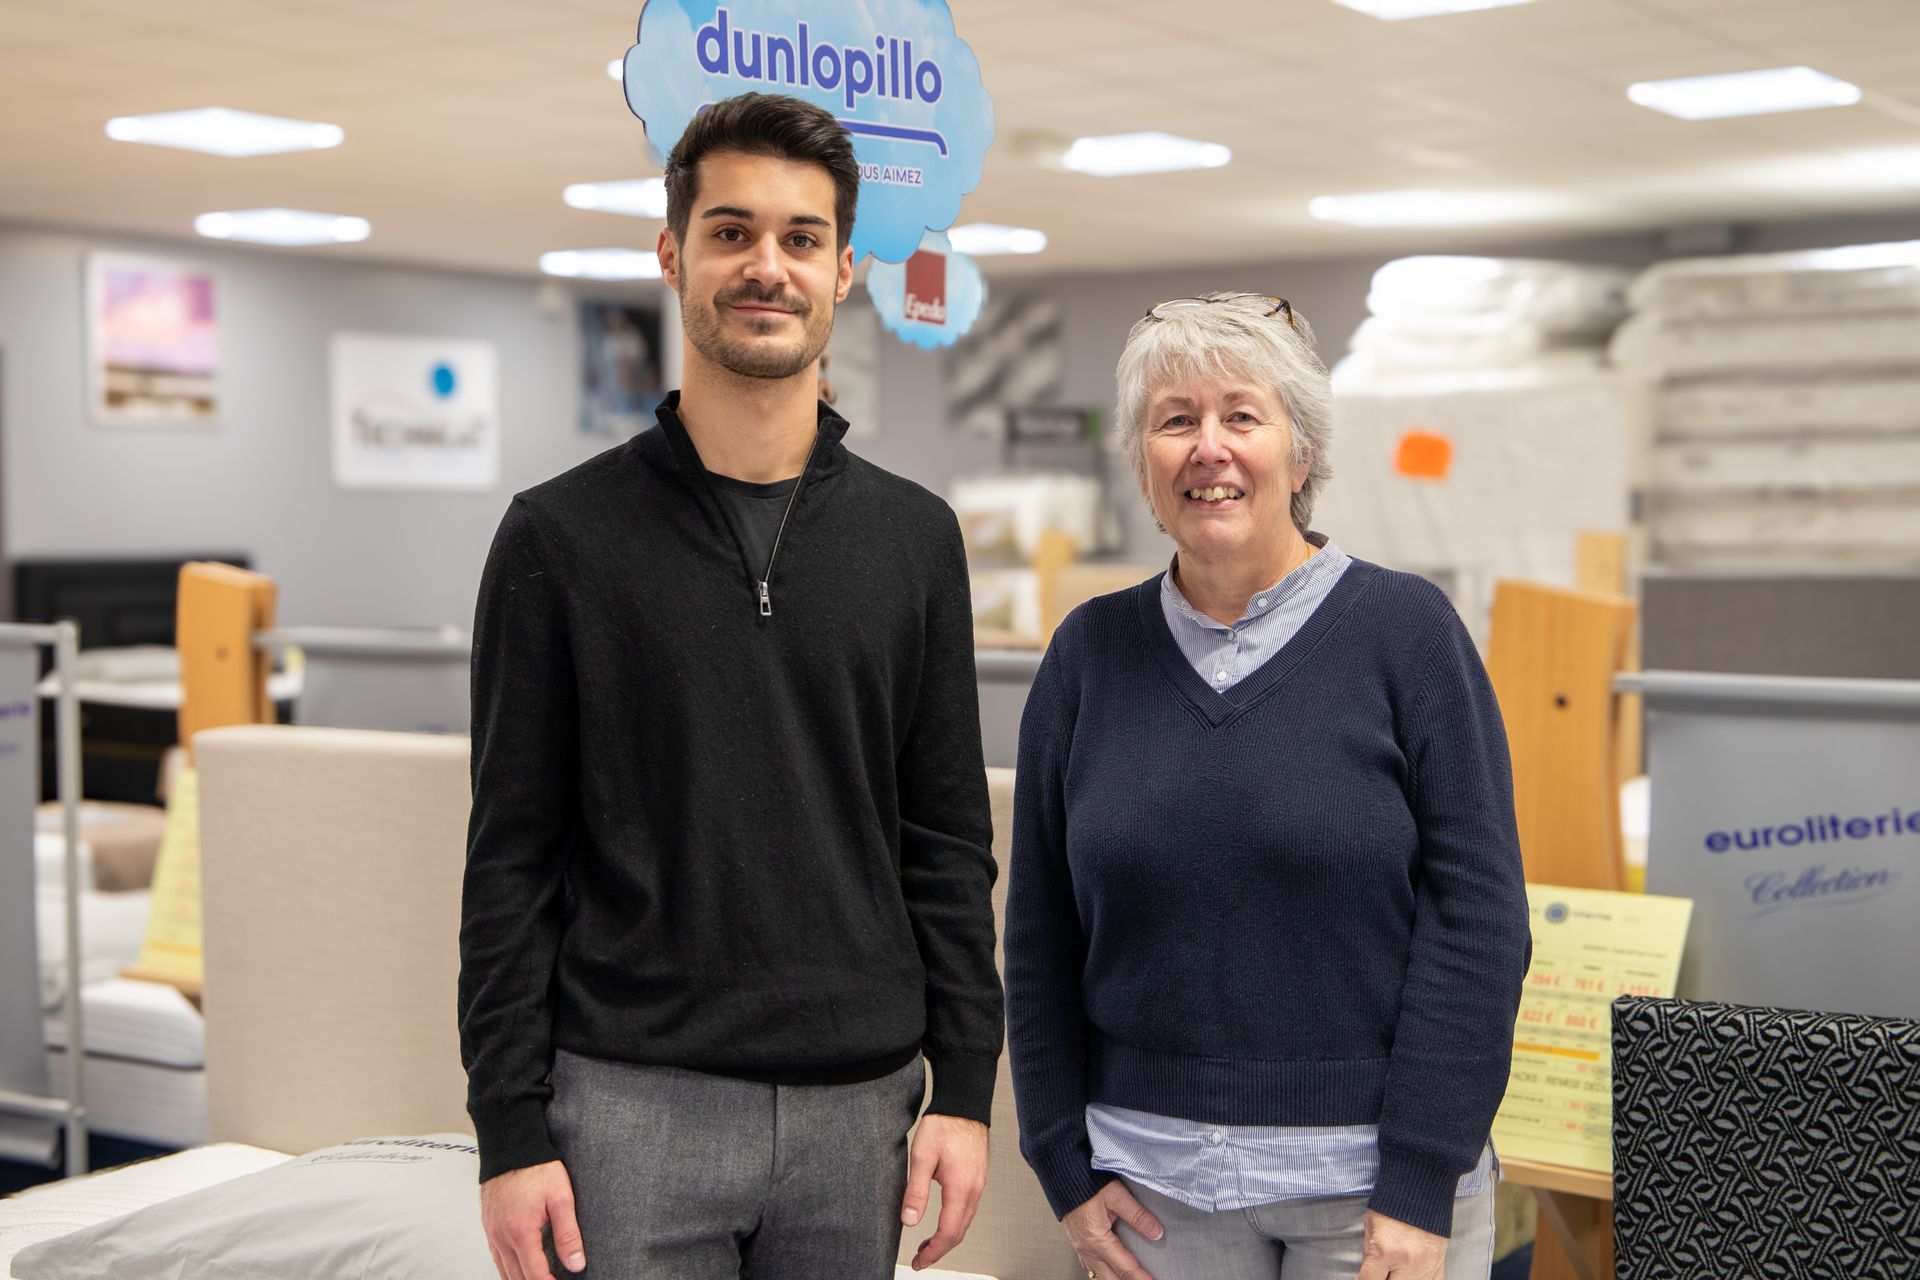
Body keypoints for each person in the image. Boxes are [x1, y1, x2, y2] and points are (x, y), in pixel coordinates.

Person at [459, 93, 1001, 1280]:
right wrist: (507, 1127)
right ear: (672, 253)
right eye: (731, 231)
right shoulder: (559, 537)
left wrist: (966, 1086)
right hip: (627, 1102)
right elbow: (510, 858)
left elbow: (948, 840)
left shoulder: (916, 540)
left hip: (860, 1108)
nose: (768, 265)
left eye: (802, 237)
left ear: (845, 269)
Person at [1004, 292, 1531, 1280]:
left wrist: (1421, 1178)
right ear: (1143, 464)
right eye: (1175, 420)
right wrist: (1061, 1164)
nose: (1209, 447)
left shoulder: (1410, 636)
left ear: (1301, 454)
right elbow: (1038, 935)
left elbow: (1479, 923)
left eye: (1242, 415)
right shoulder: (1088, 654)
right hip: (1151, 1196)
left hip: (1372, 1199)